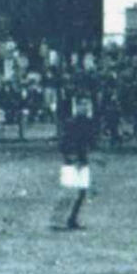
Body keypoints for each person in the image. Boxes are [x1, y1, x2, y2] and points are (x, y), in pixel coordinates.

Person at [51, 96, 95, 230]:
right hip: (72, 161)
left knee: (82, 192)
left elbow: (89, 143)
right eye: (82, 105)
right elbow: (64, 143)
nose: (85, 108)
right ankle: (57, 220)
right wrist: (72, 158)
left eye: (87, 105)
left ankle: (72, 219)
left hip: (83, 160)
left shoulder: (88, 123)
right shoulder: (71, 123)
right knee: (69, 191)